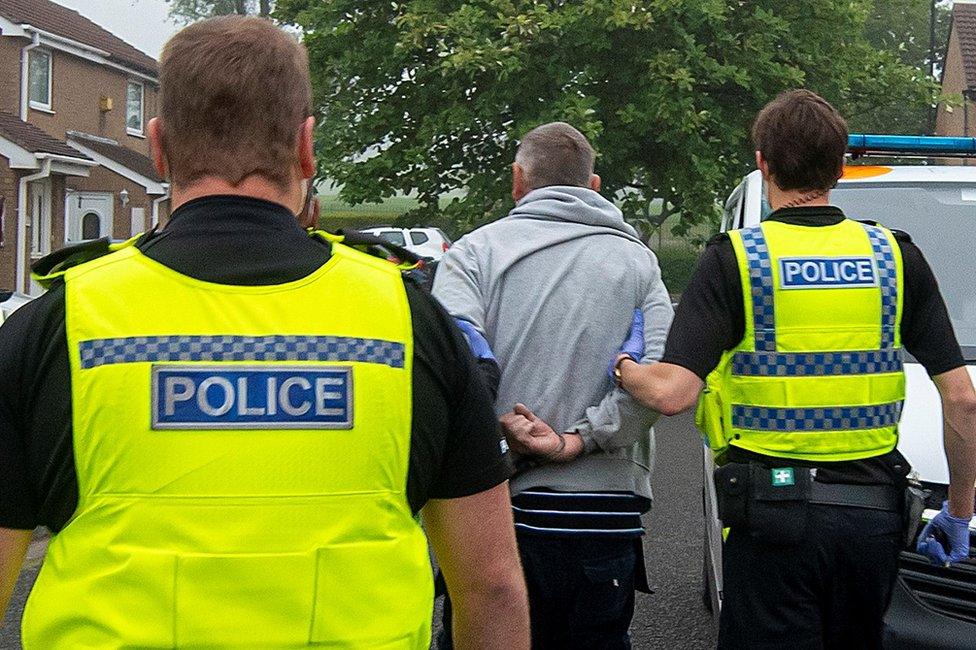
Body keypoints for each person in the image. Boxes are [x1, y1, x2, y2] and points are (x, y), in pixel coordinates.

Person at [0, 17, 529, 649]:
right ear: (306, 147)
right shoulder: (409, 321)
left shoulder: (59, 324)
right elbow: (492, 586)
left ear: (159, 148)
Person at [614, 89, 976, 649]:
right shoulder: (894, 256)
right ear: (839, 169)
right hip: (871, 523)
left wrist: (624, 366)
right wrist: (957, 511)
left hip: (772, 522)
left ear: (763, 162)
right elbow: (962, 400)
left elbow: (673, 393)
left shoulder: (736, 259)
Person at [432, 122, 674, 648]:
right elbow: (656, 381)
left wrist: (499, 431)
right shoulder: (638, 263)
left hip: (492, 511)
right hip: (601, 516)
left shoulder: (473, 254)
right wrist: (578, 440)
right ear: (595, 185)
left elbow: (452, 366)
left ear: (519, 180)